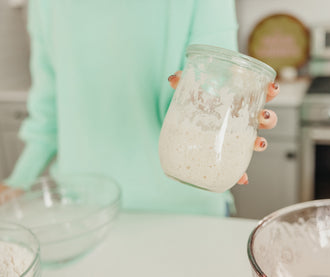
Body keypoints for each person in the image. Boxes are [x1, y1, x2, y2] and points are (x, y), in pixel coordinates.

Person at [0, 0, 279, 216]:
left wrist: (222, 121)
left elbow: (211, 92)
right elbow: (48, 111)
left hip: (185, 214)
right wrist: (19, 180)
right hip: (82, 209)